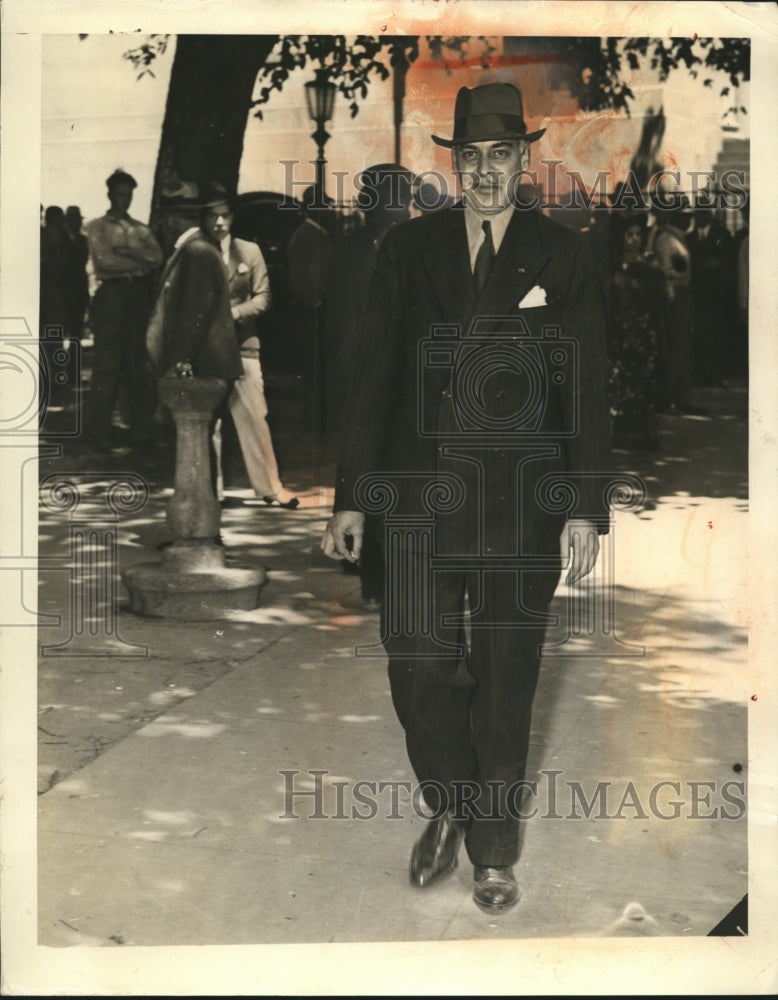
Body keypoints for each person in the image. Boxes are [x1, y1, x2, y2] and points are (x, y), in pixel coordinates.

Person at [321, 83, 610, 914]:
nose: (486, 172)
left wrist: (586, 506)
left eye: (501, 155)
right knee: (415, 667)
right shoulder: (410, 250)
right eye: (472, 157)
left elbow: (585, 391)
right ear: (456, 164)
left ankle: (492, 848)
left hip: (523, 505)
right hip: (417, 503)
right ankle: (448, 796)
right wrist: (351, 497)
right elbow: (375, 377)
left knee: (508, 680)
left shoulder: (564, 254)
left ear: (525, 160)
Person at [325, 164, 414, 605]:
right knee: (365, 470)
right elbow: (338, 319)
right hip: (364, 379)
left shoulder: (422, 246)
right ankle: (370, 568)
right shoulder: (354, 249)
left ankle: (388, 570)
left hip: (408, 382)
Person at [200, 183, 299, 509]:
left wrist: (234, 313)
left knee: (256, 417)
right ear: (204, 219)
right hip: (207, 351)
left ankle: (271, 488)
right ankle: (208, 493)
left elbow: (264, 298)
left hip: (243, 346)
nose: (219, 223)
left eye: (224, 215)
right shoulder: (197, 253)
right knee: (207, 424)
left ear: (232, 217)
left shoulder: (249, 251)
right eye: (212, 216)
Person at [85, 169, 163, 451]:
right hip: (112, 295)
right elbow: (105, 261)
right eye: (120, 194)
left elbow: (156, 258)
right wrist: (136, 259)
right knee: (108, 365)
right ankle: (99, 431)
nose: (125, 200)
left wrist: (128, 252)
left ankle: (142, 429)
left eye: (129, 195)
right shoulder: (97, 227)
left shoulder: (140, 228)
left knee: (137, 362)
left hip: (137, 296)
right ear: (109, 194)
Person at [606, 211, 668, 450]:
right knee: (620, 383)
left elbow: (658, 300)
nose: (633, 239)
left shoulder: (650, 268)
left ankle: (646, 436)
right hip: (620, 333)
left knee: (645, 383)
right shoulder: (613, 268)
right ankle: (620, 435)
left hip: (643, 333)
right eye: (628, 234)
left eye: (637, 234)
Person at [286, 185, 333, 433]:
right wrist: (315, 302)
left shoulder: (320, 234)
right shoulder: (304, 236)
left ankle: (319, 418)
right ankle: (313, 420)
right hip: (311, 312)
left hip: (319, 309)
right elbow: (298, 278)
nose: (326, 209)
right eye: (322, 205)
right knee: (313, 366)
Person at [645, 196, 694, 413]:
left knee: (681, 348)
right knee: (675, 348)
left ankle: (680, 398)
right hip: (673, 295)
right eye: (684, 216)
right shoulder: (667, 239)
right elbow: (668, 269)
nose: (688, 220)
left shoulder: (674, 237)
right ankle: (672, 399)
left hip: (679, 294)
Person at [687, 205, 734, 387]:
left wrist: (718, 267)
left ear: (710, 214)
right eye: (698, 213)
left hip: (717, 295)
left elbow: (729, 263)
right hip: (697, 296)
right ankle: (700, 375)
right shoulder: (689, 238)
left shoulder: (722, 235)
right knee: (698, 335)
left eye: (704, 213)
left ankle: (716, 376)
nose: (700, 216)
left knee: (717, 335)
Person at [62, 206, 90, 344]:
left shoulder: (84, 240)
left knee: (76, 332)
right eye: (72, 219)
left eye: (77, 220)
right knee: (59, 330)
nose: (76, 223)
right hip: (62, 291)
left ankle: (73, 364)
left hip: (79, 290)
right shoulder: (60, 239)